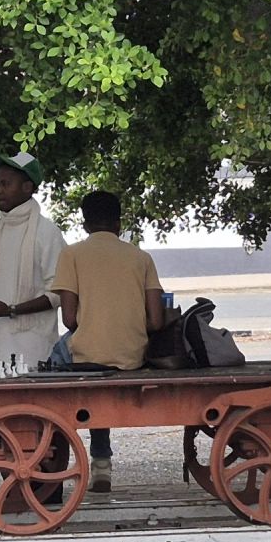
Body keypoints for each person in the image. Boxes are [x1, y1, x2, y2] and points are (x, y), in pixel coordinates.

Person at [50, 190, 165, 493]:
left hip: (87, 353)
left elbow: (70, 320)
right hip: (132, 356)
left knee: (55, 359)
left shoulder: (71, 255)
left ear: (85, 223)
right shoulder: (141, 258)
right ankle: (101, 463)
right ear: (119, 223)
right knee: (98, 360)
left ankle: (57, 455)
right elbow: (156, 321)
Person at [0, 150, 66, 371]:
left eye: (6, 184)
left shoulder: (46, 231)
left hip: (33, 343)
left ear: (27, 187)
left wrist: (11, 309)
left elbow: (59, 292)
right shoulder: (0, 226)